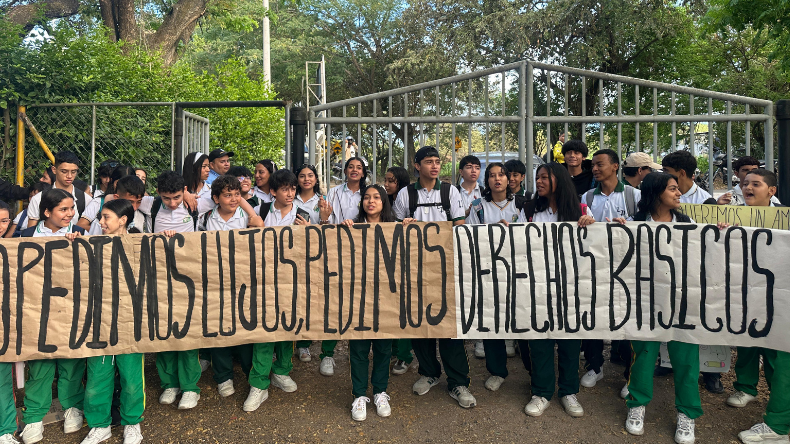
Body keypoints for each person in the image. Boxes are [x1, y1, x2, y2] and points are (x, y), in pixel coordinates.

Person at [617, 172, 728, 444]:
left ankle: (687, 413)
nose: (679, 194)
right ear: (656, 193)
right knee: (644, 355)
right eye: (672, 189)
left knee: (686, 358)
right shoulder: (634, 224)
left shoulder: (687, 224)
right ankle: (637, 404)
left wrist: (720, 233)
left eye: (678, 189)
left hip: (681, 303)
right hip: (645, 303)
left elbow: (704, 253)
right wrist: (614, 230)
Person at [393, 146, 476, 409]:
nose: (435, 166)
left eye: (437, 161)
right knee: (420, 323)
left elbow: (460, 226)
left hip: (445, 267)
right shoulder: (405, 194)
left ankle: (458, 381)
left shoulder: (450, 192)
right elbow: (394, 229)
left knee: (449, 325)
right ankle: (428, 372)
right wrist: (405, 227)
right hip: (415, 269)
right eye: (429, 162)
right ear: (417, 166)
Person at [519, 162, 595, 419]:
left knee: (570, 341)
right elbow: (518, 245)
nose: (538, 182)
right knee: (539, 340)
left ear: (558, 180)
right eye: (537, 177)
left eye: (544, 177)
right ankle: (541, 392)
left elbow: (594, 245)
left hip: (571, 287)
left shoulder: (581, 210)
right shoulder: (529, 210)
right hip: (538, 286)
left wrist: (591, 225)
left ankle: (568, 391)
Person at [724, 169, 789, 443]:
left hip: (780, 298)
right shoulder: (734, 215)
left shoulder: (784, 218)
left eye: (756, 184)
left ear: (771, 191)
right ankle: (746, 387)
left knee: (779, 354)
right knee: (747, 339)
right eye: (745, 183)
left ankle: (779, 420)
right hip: (748, 293)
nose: (747, 187)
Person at [19, 188, 87, 444]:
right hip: (37, 311)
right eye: (63, 209)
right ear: (46, 212)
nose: (70, 214)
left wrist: (78, 244)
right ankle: (34, 416)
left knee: (71, 359)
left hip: (71, 308)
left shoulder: (80, 235)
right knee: (40, 362)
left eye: (72, 209)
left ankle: (73, 406)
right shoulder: (26, 235)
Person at [80, 199, 145, 444]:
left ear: (123, 220)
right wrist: (71, 242)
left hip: (130, 323)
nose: (101, 222)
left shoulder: (141, 243)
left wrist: (168, 236)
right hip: (100, 321)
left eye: (106, 217)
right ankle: (100, 425)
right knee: (97, 377)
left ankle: (132, 423)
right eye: (101, 217)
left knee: (131, 377)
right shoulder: (91, 243)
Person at [243, 169, 307, 413]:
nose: (290, 193)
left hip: (291, 281)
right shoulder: (259, 211)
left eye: (293, 189)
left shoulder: (302, 215)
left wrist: (309, 230)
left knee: (288, 326)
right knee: (264, 328)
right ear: (273, 191)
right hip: (263, 281)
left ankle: (281, 370)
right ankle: (259, 383)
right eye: (284, 189)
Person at [198, 175, 263, 400]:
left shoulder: (246, 217)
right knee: (219, 329)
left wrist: (250, 213)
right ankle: (223, 377)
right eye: (228, 195)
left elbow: (259, 234)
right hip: (215, 282)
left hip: (242, 281)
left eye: (237, 194)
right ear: (216, 198)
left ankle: (248, 371)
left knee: (244, 327)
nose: (234, 199)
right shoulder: (205, 218)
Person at [661, 150, 721, 394]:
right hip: (670, 269)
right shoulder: (662, 197)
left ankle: (712, 372)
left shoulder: (706, 201)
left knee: (702, 320)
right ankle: (667, 363)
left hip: (697, 270)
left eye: (667, 172)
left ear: (681, 173)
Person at [581, 149, 640, 392]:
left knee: (626, 320)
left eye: (600, 164)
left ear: (615, 166)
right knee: (593, 317)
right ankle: (594, 366)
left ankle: (630, 375)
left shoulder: (633, 195)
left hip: (626, 269)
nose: (595, 169)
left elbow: (645, 228)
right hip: (596, 268)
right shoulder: (587, 197)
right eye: (593, 165)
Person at [466, 162, 524, 391]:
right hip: (488, 270)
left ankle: (532, 369)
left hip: (518, 269)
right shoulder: (478, 207)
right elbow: (470, 236)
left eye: (501, 175)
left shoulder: (522, 203)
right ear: (487, 181)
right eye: (492, 175)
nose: (497, 179)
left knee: (522, 317)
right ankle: (497, 370)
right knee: (491, 320)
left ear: (509, 178)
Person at [339, 184, 395, 421]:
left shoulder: (395, 227)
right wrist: (342, 229)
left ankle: (380, 391)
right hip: (358, 298)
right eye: (366, 198)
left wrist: (409, 228)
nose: (371, 201)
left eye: (376, 198)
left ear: (384, 202)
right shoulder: (351, 226)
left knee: (383, 347)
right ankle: (360, 395)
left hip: (387, 299)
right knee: (359, 348)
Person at [151, 171, 203, 410]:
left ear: (183, 191)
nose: (172, 203)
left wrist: (190, 195)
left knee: (187, 331)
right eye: (166, 198)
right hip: (160, 278)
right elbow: (115, 198)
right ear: (158, 194)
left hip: (189, 277)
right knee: (164, 331)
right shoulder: (150, 205)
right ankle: (169, 383)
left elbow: (234, 198)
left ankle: (190, 387)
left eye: (176, 197)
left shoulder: (196, 204)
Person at [312, 157, 368, 376]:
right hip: (338, 252)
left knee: (363, 303)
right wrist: (327, 220)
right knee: (335, 303)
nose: (354, 170)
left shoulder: (370, 192)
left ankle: (359, 354)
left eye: (359, 168)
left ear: (363, 172)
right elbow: (325, 221)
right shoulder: (333, 193)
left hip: (365, 254)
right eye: (351, 167)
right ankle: (327, 354)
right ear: (345, 171)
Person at [381, 165, 413, 374]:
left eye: (391, 180)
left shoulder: (406, 201)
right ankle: (392, 350)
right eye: (386, 180)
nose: (386, 184)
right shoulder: (382, 201)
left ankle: (404, 354)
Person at [27, 151, 92, 228]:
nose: (69, 176)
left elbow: (91, 229)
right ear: (54, 170)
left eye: (73, 172)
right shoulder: (38, 199)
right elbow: (31, 230)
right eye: (64, 171)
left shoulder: (86, 199)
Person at [77, 165, 136, 235]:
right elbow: (80, 225)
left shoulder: (138, 202)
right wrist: (100, 229)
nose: (124, 186)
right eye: (119, 182)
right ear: (112, 181)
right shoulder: (99, 201)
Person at [0, 202, 16, 444]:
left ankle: (5, 430)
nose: (0, 226)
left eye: (4, 221)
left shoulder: (13, 249)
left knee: (3, 378)